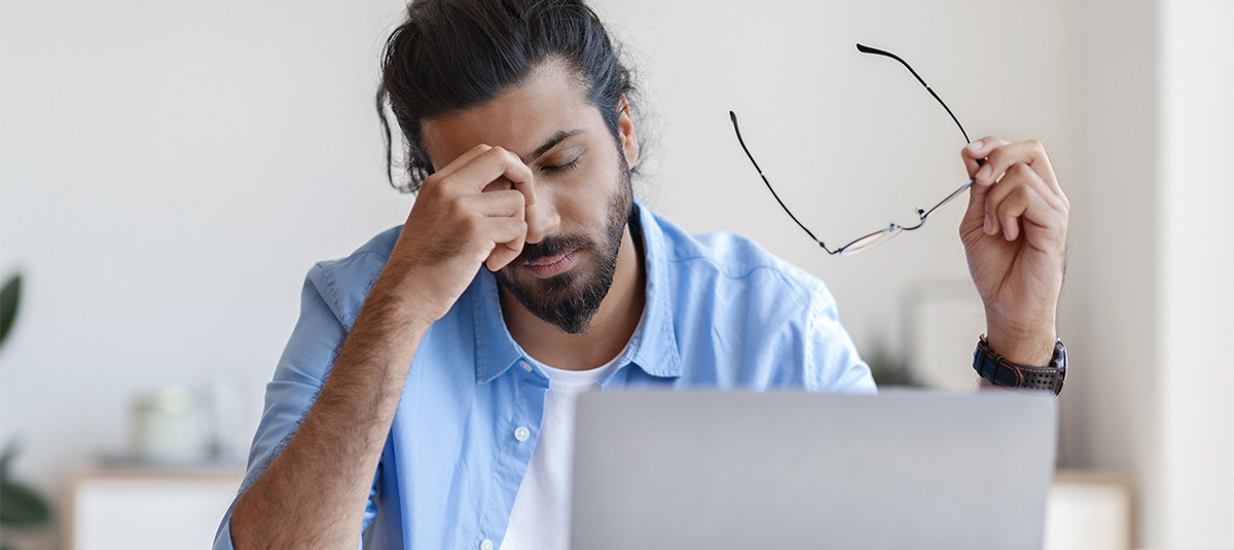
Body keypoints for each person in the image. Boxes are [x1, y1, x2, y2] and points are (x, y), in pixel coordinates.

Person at [213, 0, 1070, 548]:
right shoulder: (360, 306)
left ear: (624, 132)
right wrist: (400, 309)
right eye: (490, 186)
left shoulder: (770, 324)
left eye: (560, 162)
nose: (537, 220)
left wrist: (1020, 334)